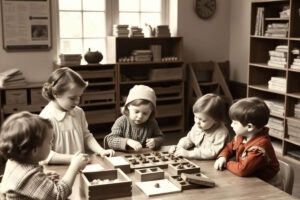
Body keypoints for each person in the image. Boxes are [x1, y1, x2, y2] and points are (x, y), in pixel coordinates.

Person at [0, 111, 88, 200]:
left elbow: (27, 186)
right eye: (50, 142)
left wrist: (43, 178)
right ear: (35, 150)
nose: (51, 145)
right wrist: (74, 167)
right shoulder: (29, 176)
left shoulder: (13, 161)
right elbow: (58, 195)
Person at [40, 67, 114, 164]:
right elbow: (44, 156)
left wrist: (101, 151)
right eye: (72, 98)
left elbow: (86, 136)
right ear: (55, 93)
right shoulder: (45, 119)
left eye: (79, 96)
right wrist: (73, 159)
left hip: (79, 167)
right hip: (57, 171)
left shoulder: (79, 112)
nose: (77, 101)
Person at [214, 97, 282, 188]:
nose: (231, 125)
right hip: (252, 179)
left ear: (249, 127)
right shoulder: (242, 136)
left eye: (234, 123)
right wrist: (223, 157)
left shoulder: (260, 147)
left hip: (268, 185)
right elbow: (229, 147)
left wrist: (227, 163)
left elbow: (242, 170)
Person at [169, 93, 229, 159]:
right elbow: (189, 139)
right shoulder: (198, 126)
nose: (197, 122)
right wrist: (179, 147)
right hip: (198, 160)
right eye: (195, 117)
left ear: (216, 120)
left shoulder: (221, 133)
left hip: (212, 163)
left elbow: (213, 153)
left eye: (202, 120)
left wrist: (189, 154)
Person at [106, 85, 164, 151]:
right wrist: (128, 141)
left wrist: (155, 141)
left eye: (145, 113)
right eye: (136, 112)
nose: (140, 116)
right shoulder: (121, 121)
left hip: (144, 155)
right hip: (123, 155)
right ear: (128, 106)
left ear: (151, 112)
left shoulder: (152, 122)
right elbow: (111, 140)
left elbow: (160, 137)